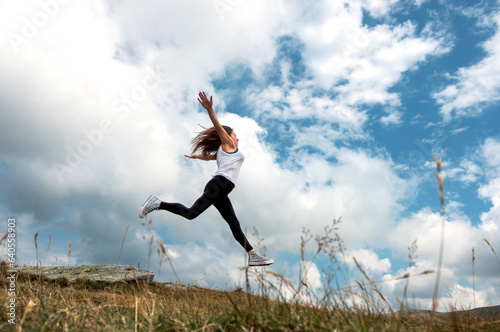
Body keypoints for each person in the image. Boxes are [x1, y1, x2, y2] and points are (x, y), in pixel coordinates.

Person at [139, 91, 274, 267]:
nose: (237, 138)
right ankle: (157, 203)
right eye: (235, 134)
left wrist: (195, 157)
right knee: (190, 213)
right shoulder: (229, 145)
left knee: (233, 223)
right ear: (228, 137)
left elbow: (209, 157)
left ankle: (253, 254)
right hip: (218, 186)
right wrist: (210, 110)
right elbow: (218, 128)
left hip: (222, 190)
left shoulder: (223, 152)